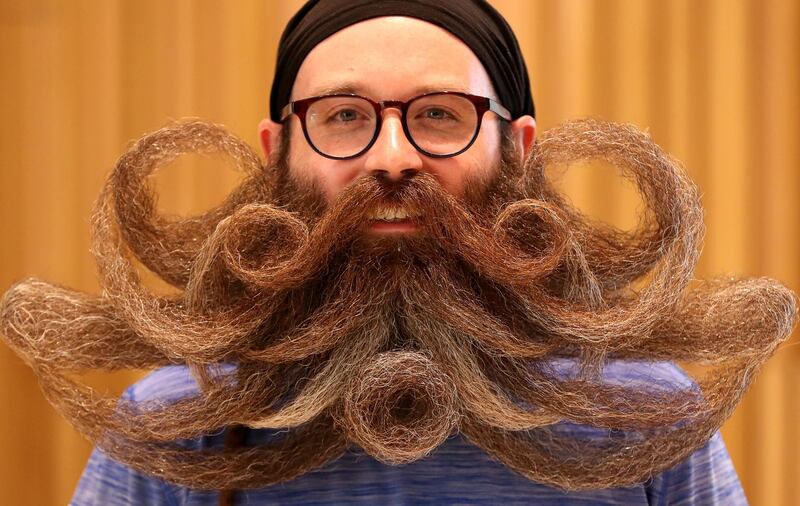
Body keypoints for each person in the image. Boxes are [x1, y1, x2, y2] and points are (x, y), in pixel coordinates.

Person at [2, 1, 794, 505]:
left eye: (440, 115)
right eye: (344, 116)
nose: (392, 156)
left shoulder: (644, 414)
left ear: (517, 151)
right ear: (280, 155)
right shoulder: (176, 424)